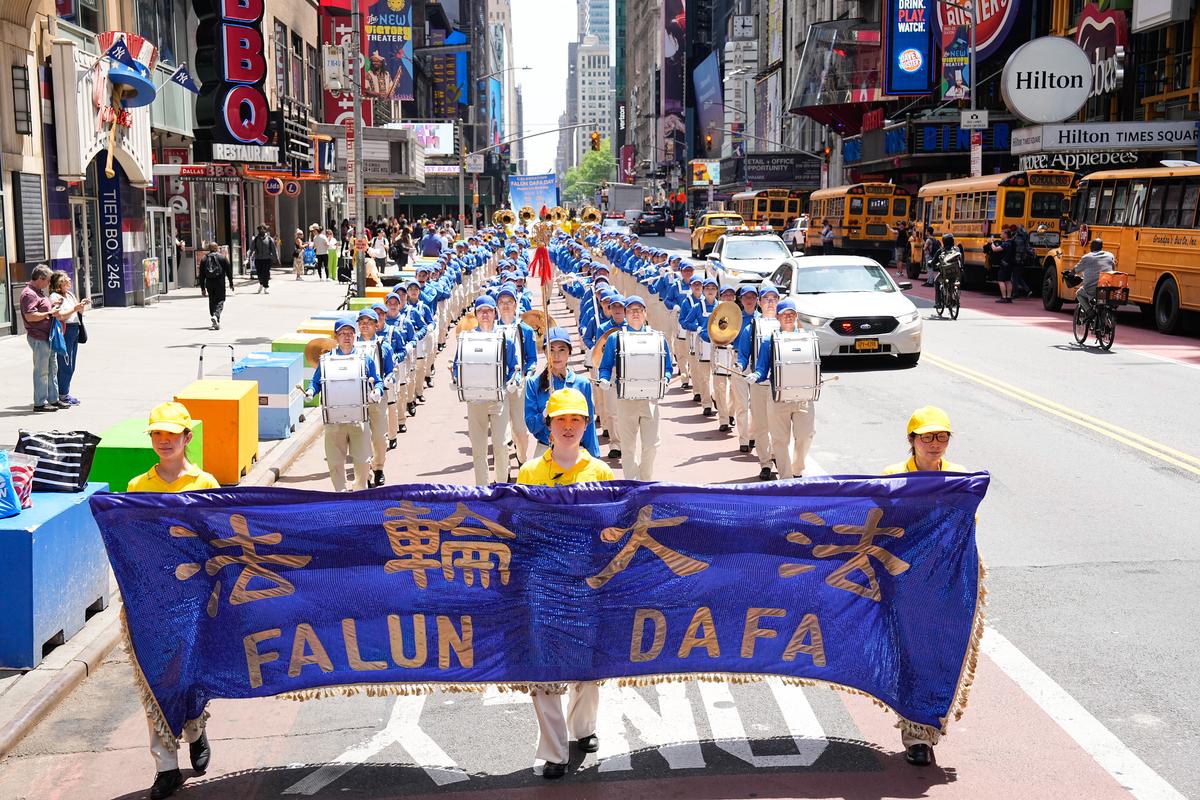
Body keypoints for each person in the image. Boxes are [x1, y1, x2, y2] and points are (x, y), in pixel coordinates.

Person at [516, 387, 613, 780]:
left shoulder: (601, 472)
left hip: (585, 583)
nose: (569, 427)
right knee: (543, 668)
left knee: (587, 666)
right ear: (549, 426)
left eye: (576, 420)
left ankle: (584, 729)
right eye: (561, 420)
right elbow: (519, 528)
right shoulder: (528, 473)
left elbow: (610, 528)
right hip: (543, 582)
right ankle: (555, 752)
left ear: (586, 425)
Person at [126, 401, 219, 799]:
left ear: (187, 438)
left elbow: (217, 540)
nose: (164, 441)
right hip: (149, 599)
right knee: (154, 680)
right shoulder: (136, 487)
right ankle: (165, 766)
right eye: (157, 435)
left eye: (171, 434)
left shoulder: (205, 483)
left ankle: (195, 727)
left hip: (193, 598)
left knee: (188, 675)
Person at [882, 405, 967, 768]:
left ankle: (927, 728)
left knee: (940, 652)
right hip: (905, 580)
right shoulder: (891, 478)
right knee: (910, 653)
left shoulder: (962, 478)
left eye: (942, 436)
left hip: (949, 580)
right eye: (927, 436)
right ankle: (916, 735)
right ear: (911, 440)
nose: (935, 444)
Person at [597, 295, 671, 481]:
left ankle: (645, 480)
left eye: (639, 310)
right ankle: (631, 482)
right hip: (625, 399)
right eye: (631, 310)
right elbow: (605, 366)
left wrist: (667, 380)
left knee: (652, 445)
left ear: (646, 313)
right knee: (628, 447)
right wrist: (604, 379)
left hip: (650, 400)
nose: (635, 313)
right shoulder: (616, 338)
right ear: (625, 314)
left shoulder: (657, 338)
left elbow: (668, 367)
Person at [308, 316, 381, 492]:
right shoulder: (326, 361)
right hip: (334, 421)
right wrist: (311, 391)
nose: (347, 337)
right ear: (336, 337)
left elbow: (377, 381)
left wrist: (376, 392)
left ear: (355, 336)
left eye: (350, 333)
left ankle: (359, 492)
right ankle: (340, 495)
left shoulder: (365, 359)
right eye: (343, 333)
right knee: (335, 462)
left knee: (363, 461)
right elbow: (316, 382)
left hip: (359, 419)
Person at [454, 295, 519, 484]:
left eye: (489, 310)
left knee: (501, 445)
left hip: (499, 398)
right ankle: (482, 488)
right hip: (475, 400)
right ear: (475, 314)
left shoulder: (504, 337)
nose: (485, 314)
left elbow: (514, 365)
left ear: (495, 314)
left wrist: (511, 382)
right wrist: (457, 380)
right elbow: (459, 364)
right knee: (478, 448)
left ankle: (501, 487)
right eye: (481, 311)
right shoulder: (467, 338)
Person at [749, 300, 816, 480]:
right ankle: (786, 479)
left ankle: (797, 469)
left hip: (803, 397)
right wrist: (756, 375)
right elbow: (762, 368)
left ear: (796, 316)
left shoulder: (807, 337)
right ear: (777, 317)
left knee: (805, 436)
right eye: (785, 313)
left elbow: (813, 364)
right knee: (780, 441)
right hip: (778, 397)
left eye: (792, 313)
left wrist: (817, 378)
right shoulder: (768, 341)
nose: (788, 316)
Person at [524, 328, 600, 459]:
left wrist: (594, 457)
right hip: (545, 450)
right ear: (544, 352)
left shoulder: (582, 384)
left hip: (576, 451)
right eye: (551, 350)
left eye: (561, 350)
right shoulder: (533, 383)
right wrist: (544, 414)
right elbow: (531, 426)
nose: (556, 356)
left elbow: (589, 425)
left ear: (569, 352)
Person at [736, 283, 779, 479]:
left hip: (780, 386)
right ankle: (765, 463)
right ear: (760, 303)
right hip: (759, 385)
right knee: (762, 426)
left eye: (774, 299)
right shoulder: (751, 327)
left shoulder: (787, 324)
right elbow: (744, 354)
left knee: (780, 427)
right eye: (766, 299)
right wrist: (739, 365)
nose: (770, 303)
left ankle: (778, 455)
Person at [356, 308, 396, 488]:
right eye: (362, 322)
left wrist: (387, 380)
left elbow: (390, 371)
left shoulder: (383, 346)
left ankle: (378, 467)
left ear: (376, 325)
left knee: (379, 437)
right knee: (360, 437)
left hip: (378, 398)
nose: (365, 325)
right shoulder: (351, 345)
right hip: (356, 398)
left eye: (369, 322)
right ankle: (364, 475)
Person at [20, 264, 65, 412]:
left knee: (52, 369)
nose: (49, 284)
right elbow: (30, 316)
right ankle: (40, 403)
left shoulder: (37, 292)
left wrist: (52, 306)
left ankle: (53, 399)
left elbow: (41, 309)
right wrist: (49, 313)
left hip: (48, 337)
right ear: (40, 278)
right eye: (47, 281)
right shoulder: (29, 294)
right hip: (38, 337)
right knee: (41, 371)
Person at [48, 270, 89, 405]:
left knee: (71, 363)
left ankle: (65, 392)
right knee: (65, 363)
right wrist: (75, 309)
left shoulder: (69, 294)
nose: (69, 282)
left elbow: (78, 312)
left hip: (75, 328)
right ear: (59, 284)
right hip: (65, 330)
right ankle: (62, 394)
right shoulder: (54, 297)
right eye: (66, 281)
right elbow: (60, 316)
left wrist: (81, 306)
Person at [1072, 238, 1116, 320]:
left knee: (1079, 293)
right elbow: (1113, 269)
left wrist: (1070, 273)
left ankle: (1090, 311)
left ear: (1091, 247)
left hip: (1092, 289)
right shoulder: (1110, 255)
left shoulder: (1087, 257)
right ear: (1101, 247)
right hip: (1107, 287)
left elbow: (1076, 270)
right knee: (1102, 299)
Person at [199, 242, 235, 330]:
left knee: (212, 300)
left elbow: (201, 275)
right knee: (220, 300)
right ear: (216, 248)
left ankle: (214, 320)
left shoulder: (204, 258)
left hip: (209, 283)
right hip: (220, 282)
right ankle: (216, 316)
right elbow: (229, 271)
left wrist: (203, 288)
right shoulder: (222, 257)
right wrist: (231, 283)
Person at [989, 229, 1015, 303]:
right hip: (1011, 264)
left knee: (1001, 281)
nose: (1001, 235)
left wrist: (992, 243)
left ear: (1006, 235)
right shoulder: (1013, 243)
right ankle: (1009, 297)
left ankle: (1003, 297)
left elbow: (995, 249)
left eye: (1002, 234)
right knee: (1008, 280)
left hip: (1004, 264)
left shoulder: (1006, 244)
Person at [250, 225, 278, 293]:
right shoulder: (256, 239)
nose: (261, 231)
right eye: (260, 229)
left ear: (265, 230)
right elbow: (252, 248)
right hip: (258, 259)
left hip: (267, 259)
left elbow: (273, 250)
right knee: (259, 273)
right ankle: (261, 283)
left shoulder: (269, 239)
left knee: (266, 273)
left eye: (263, 229)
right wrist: (249, 257)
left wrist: (276, 258)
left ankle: (266, 286)